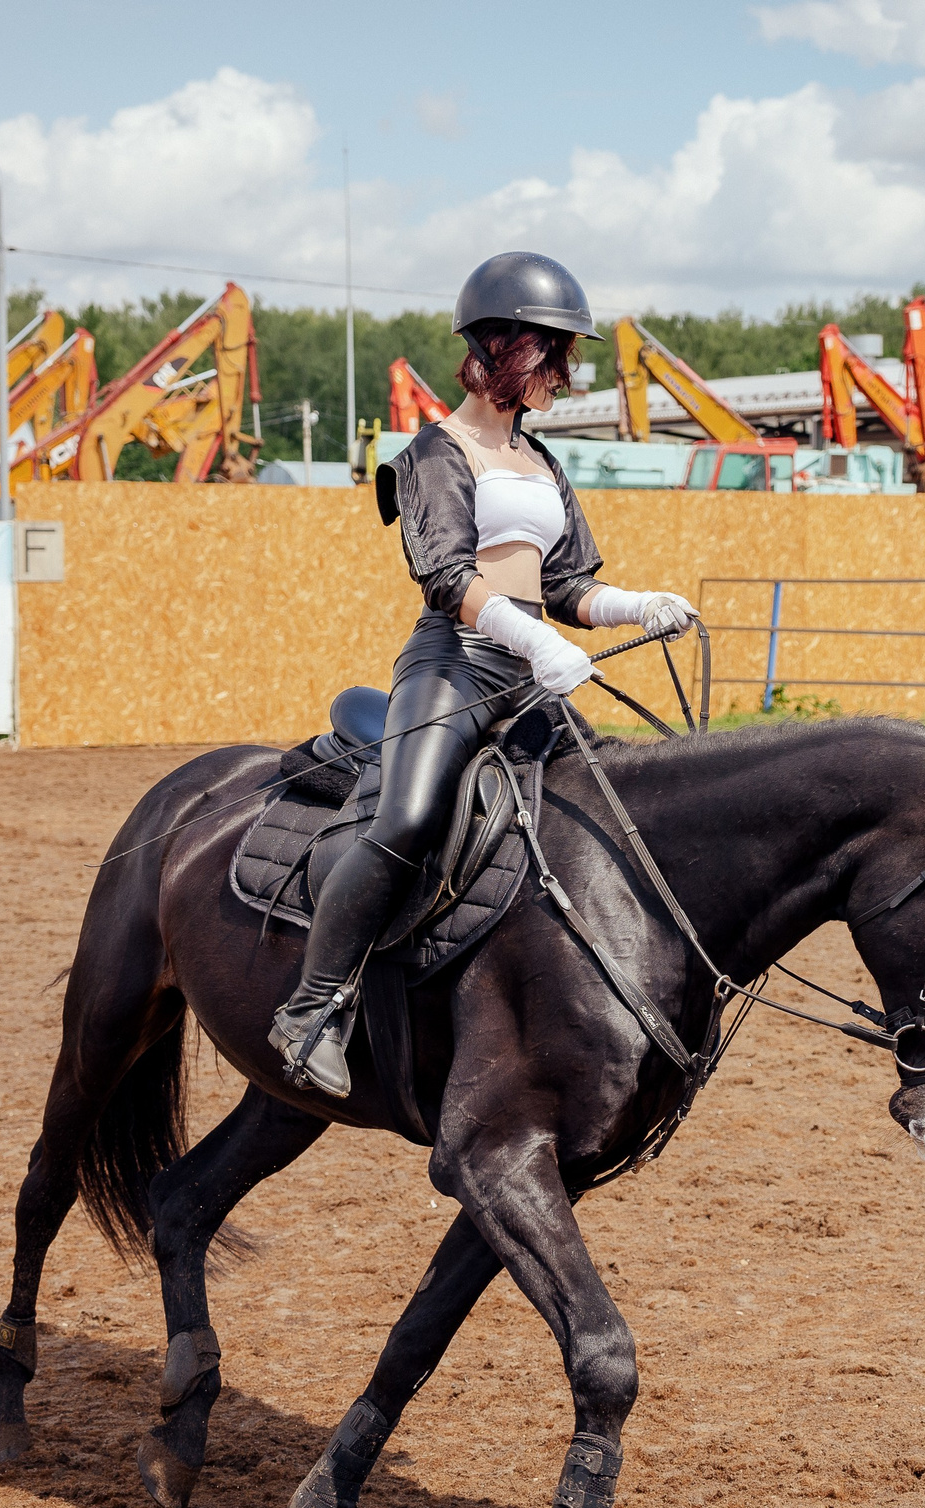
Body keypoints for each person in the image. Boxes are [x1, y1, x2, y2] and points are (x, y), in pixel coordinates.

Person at [271, 252, 700, 1097]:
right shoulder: (434, 450)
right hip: (454, 664)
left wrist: (635, 605)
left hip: (534, 669)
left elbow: (567, 584)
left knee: (612, 805)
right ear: (497, 346)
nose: (561, 373)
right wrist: (532, 642)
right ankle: (313, 1008)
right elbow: (449, 575)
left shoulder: (543, 462)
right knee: (410, 813)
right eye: (550, 352)